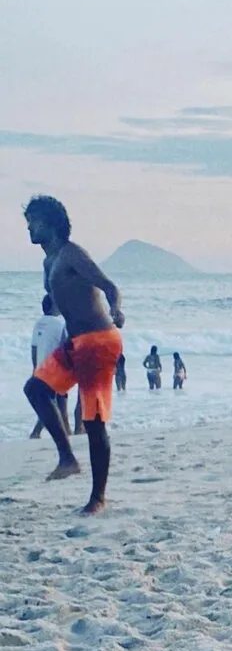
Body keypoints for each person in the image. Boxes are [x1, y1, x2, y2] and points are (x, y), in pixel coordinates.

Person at [22, 195, 125, 515]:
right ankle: (67, 459)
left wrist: (116, 308)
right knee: (36, 389)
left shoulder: (72, 254)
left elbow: (108, 285)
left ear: (52, 223)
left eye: (34, 221)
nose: (29, 227)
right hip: (75, 342)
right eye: (28, 221)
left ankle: (98, 498)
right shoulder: (48, 263)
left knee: (93, 421)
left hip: (98, 341)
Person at [29, 294, 70, 439]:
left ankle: (65, 430)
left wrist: (35, 368)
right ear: (53, 306)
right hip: (54, 367)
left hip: (41, 367)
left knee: (54, 400)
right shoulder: (59, 324)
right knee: (53, 403)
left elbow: (34, 348)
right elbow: (66, 345)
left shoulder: (38, 323)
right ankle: (36, 432)